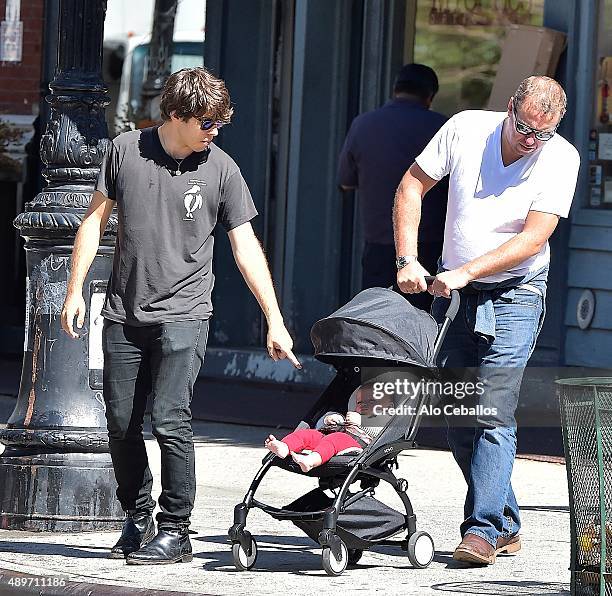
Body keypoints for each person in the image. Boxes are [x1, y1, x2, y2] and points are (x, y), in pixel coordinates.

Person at [60, 67, 301, 565]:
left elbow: (245, 246)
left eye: (219, 125)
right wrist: (75, 290)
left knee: (171, 418)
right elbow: (93, 220)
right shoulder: (124, 151)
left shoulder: (222, 169)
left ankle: (176, 529)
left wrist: (274, 319)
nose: (215, 133)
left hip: (185, 313)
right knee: (121, 421)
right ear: (176, 115)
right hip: (125, 311)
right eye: (207, 124)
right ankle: (137, 517)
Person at [393, 76, 579, 565]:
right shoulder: (465, 129)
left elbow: (533, 238)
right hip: (456, 294)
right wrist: (407, 260)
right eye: (523, 128)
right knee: (457, 416)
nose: (530, 141)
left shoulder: (561, 157)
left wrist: (466, 271)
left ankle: (482, 530)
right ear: (509, 108)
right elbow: (413, 185)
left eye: (543, 133)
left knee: (492, 409)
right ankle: (507, 521)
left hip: (517, 292)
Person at [337, 63, 448, 311]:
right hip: (428, 245)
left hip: (379, 242)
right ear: (429, 96)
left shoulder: (363, 124)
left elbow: (345, 181)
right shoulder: (442, 128)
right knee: (423, 324)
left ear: (395, 90)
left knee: (375, 320)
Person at [265, 410, 372, 472]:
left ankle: (310, 461)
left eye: (371, 402)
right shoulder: (351, 415)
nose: (363, 405)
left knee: (335, 438)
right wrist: (329, 419)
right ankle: (285, 447)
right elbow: (319, 426)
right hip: (333, 436)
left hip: (357, 446)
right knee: (308, 434)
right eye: (359, 402)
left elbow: (378, 434)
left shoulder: (379, 421)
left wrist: (363, 422)